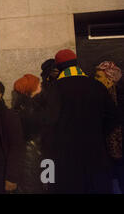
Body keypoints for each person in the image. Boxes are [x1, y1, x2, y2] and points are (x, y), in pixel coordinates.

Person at [40, 49, 122, 193]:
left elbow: (49, 124)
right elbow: (114, 117)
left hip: (66, 158)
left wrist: (46, 173)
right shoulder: (97, 86)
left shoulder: (55, 89)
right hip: (96, 155)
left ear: (59, 67)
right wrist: (99, 133)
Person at [11, 74, 45, 194]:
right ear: (31, 88)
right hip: (32, 156)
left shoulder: (18, 107)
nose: (41, 86)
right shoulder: (32, 108)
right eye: (38, 84)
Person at [94, 61, 124, 193]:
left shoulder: (118, 94)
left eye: (99, 77)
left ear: (110, 78)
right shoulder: (99, 95)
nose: (95, 80)